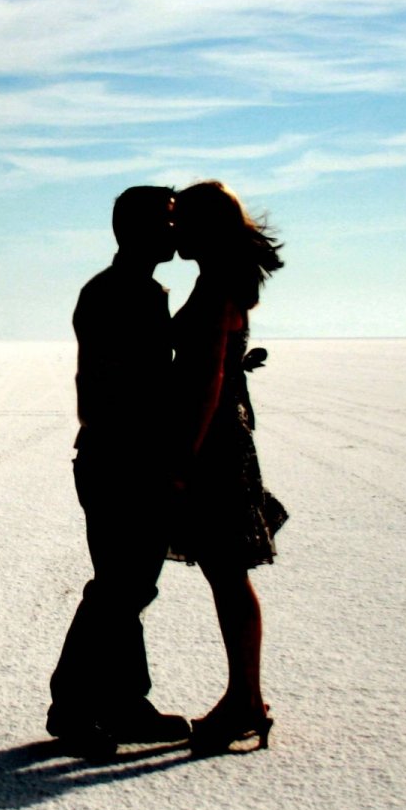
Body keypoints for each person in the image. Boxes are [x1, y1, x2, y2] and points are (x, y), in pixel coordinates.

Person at [47, 185, 192, 754]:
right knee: (118, 587)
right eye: (168, 221)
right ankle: (73, 706)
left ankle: (125, 702)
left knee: (130, 586)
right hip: (120, 459)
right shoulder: (117, 293)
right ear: (138, 230)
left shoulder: (136, 290)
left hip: (126, 456)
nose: (175, 231)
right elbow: (122, 386)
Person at [168, 180, 288, 755]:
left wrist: (184, 459)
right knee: (226, 572)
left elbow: (208, 382)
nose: (173, 231)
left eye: (180, 221)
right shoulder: (217, 277)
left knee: (227, 571)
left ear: (204, 228)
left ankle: (245, 700)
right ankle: (246, 698)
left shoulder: (216, 284)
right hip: (221, 437)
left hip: (213, 443)